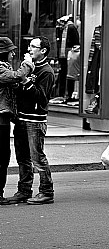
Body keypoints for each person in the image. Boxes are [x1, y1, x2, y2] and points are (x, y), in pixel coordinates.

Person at [7, 36, 56, 205]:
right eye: (29, 46)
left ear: (43, 51)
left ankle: (46, 191)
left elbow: (41, 98)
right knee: (22, 158)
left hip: (35, 120)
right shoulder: (29, 67)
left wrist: (25, 80)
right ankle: (24, 190)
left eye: (33, 47)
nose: (29, 49)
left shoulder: (46, 72)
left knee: (37, 158)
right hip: (21, 118)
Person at [0, 37, 34, 205]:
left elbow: (15, 84)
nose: (13, 54)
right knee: (2, 157)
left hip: (4, 119)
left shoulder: (4, 67)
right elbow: (16, 77)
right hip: (0, 120)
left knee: (4, 157)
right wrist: (27, 64)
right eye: (11, 51)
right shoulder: (1, 68)